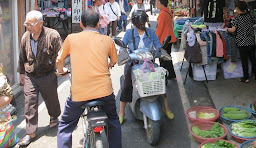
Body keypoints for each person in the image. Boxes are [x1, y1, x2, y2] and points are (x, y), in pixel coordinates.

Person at [56, 11, 121, 148]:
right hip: (104, 91)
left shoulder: (71, 38)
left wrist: (61, 71)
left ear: (81, 24)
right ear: (98, 24)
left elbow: (60, 59)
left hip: (79, 93)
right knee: (113, 121)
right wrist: (108, 65)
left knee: (65, 125)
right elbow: (114, 60)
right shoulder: (107, 40)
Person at [118, 10, 174, 124]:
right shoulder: (129, 33)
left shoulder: (151, 32)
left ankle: (166, 108)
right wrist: (124, 54)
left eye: (143, 23)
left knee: (159, 83)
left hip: (149, 63)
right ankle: (121, 112)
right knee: (127, 86)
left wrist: (162, 52)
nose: (142, 25)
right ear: (135, 23)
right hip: (133, 63)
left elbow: (158, 45)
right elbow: (122, 47)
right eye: (140, 24)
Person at [17, 10, 62, 146]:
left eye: (31, 24)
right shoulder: (26, 37)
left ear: (41, 23)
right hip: (31, 74)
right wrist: (21, 72)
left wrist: (60, 68)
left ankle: (54, 115)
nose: (28, 26)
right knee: (29, 101)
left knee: (51, 98)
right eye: (26, 24)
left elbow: (60, 53)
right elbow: (22, 56)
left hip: (48, 73)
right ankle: (30, 132)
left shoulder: (52, 35)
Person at [227, 1, 256, 83]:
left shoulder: (237, 19)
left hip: (242, 42)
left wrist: (227, 29)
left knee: (244, 61)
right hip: (251, 41)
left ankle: (246, 78)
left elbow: (233, 29)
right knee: (253, 60)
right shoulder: (249, 17)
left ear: (237, 9)